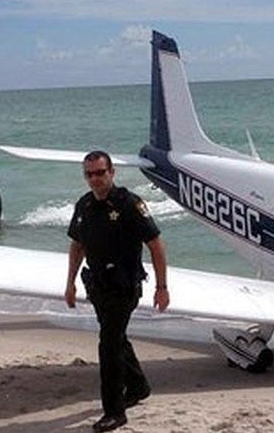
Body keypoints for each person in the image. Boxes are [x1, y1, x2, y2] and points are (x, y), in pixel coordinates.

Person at [65, 150, 169, 432]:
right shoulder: (85, 205)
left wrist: (161, 287)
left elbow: (156, 244)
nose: (95, 179)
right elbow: (77, 246)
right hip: (98, 286)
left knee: (108, 346)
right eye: (89, 174)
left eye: (100, 173)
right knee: (116, 338)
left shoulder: (129, 204)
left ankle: (114, 412)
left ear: (112, 173)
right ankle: (138, 386)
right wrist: (70, 283)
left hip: (124, 286)